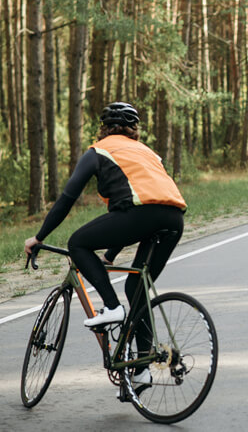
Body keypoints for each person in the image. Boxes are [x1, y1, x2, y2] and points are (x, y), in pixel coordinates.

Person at [24, 102, 186, 331]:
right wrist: (110, 256)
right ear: (134, 129)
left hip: (140, 215)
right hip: (174, 219)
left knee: (77, 243)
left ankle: (112, 307)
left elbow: (67, 198)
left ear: (104, 128)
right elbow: (136, 208)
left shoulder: (98, 151)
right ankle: (143, 365)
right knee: (136, 289)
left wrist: (39, 237)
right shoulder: (148, 153)